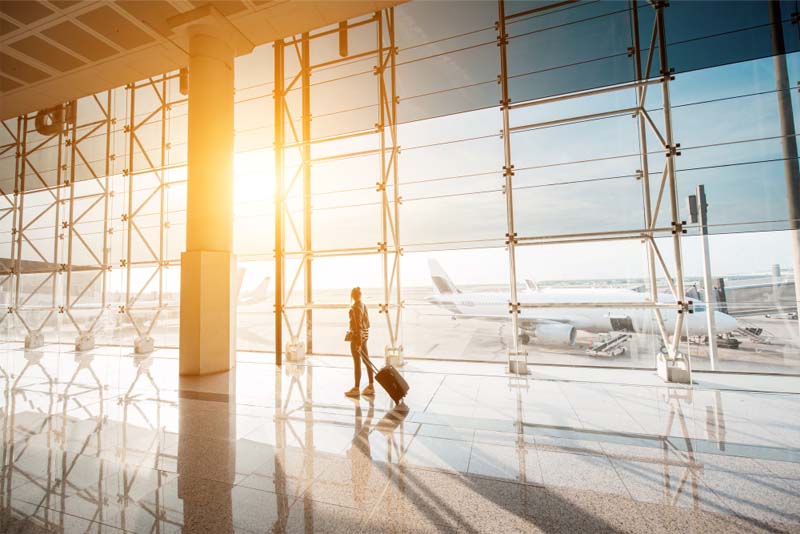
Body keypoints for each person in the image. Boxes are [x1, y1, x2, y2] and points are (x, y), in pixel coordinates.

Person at [346, 287, 374, 398]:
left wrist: (358, 343)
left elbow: (358, 326)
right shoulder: (363, 305)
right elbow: (366, 323)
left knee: (357, 362)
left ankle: (356, 388)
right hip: (364, 336)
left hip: (357, 338)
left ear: (352, 296)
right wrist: (362, 339)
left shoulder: (354, 308)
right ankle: (371, 385)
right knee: (366, 360)